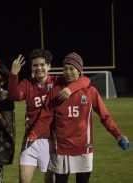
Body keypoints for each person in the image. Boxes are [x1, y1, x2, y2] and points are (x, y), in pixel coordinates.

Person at [26, 52, 129, 183]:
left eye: (71, 68)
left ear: (79, 70)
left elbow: (105, 116)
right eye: (65, 68)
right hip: (61, 148)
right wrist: (34, 134)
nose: (68, 72)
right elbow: (46, 116)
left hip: (83, 148)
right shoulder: (56, 91)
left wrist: (118, 135)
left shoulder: (90, 91)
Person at [8, 49, 91, 183]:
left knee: (50, 179)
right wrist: (13, 74)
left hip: (51, 139)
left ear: (49, 66)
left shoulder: (58, 82)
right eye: (35, 65)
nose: (39, 68)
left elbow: (85, 80)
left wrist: (70, 88)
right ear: (31, 67)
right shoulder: (27, 84)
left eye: (42, 64)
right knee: (23, 178)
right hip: (31, 138)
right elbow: (13, 96)